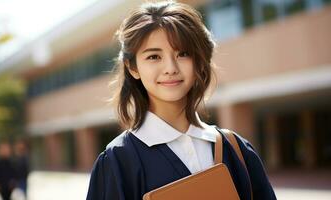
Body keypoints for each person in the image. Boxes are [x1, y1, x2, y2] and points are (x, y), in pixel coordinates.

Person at [86, 1, 276, 200]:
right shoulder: (118, 161)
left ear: (199, 62)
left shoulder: (237, 149)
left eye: (183, 54)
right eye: (154, 57)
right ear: (133, 67)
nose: (170, 68)